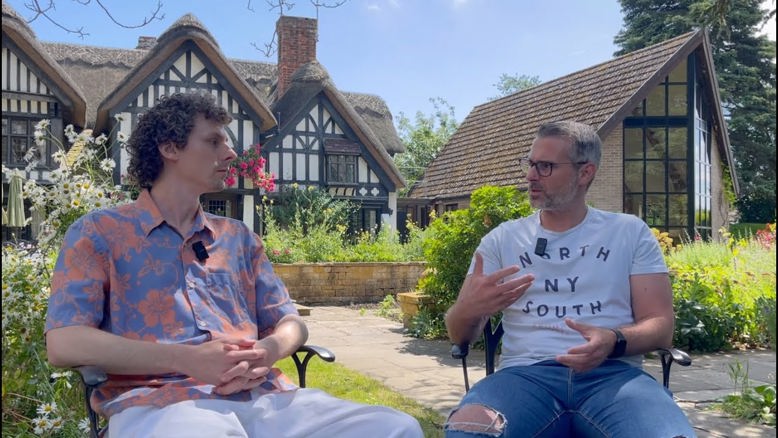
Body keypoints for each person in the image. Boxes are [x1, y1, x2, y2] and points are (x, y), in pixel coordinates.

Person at [45, 92, 423, 437]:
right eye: (213, 141)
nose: (229, 154)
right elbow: (64, 341)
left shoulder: (238, 237)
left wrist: (271, 350)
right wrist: (188, 360)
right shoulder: (98, 233)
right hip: (159, 404)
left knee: (395, 427)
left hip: (265, 397)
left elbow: (290, 322)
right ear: (168, 147)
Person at [443, 121, 695, 437]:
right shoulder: (502, 240)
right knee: (468, 432)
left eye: (545, 166)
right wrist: (468, 309)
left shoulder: (628, 233)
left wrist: (613, 340)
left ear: (585, 173)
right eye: (530, 163)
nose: (530, 175)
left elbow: (661, 325)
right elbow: (459, 337)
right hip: (524, 378)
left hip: (614, 378)